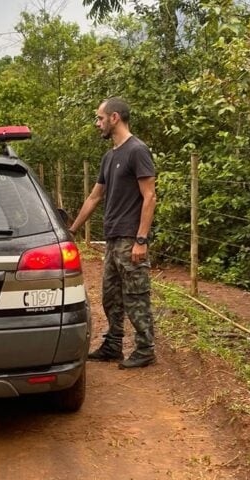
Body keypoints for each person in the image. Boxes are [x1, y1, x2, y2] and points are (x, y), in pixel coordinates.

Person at [68, 97, 158, 369]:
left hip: (131, 238)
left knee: (136, 296)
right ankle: (113, 345)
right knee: (111, 296)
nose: (97, 123)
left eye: (99, 118)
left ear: (114, 117)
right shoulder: (110, 156)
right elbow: (95, 197)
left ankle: (145, 349)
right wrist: (71, 230)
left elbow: (150, 196)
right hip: (112, 239)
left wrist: (141, 240)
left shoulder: (137, 150)